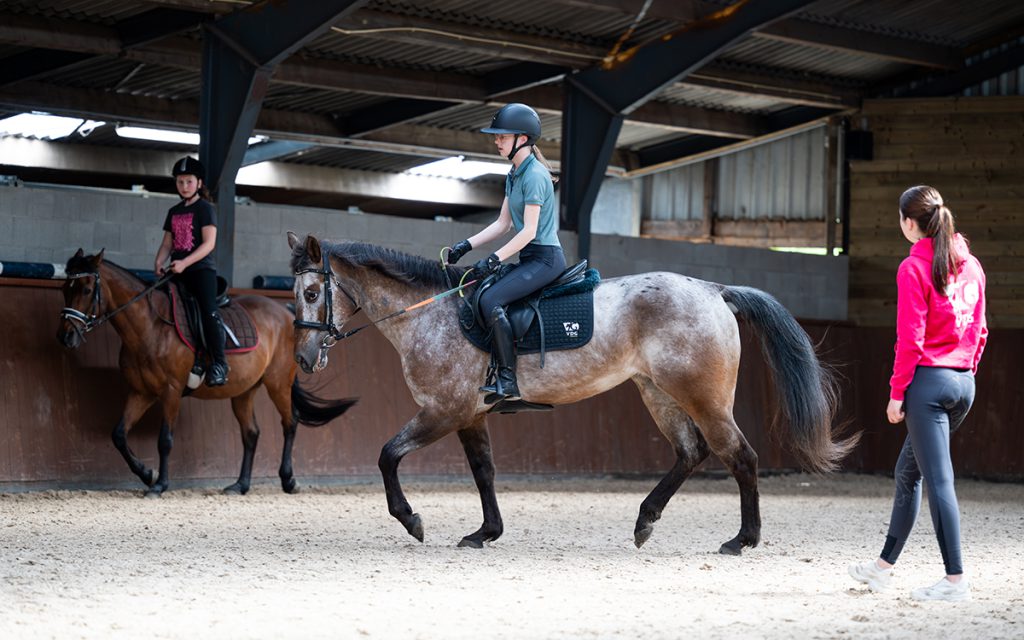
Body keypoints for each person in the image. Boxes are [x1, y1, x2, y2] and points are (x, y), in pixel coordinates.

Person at [849, 185, 987, 601]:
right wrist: (966, 368)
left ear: (910, 223)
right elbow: (980, 329)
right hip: (963, 382)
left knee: (939, 482)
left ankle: (954, 581)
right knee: (908, 473)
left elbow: (910, 338)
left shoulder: (913, 268)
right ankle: (882, 567)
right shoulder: (972, 265)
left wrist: (897, 392)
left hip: (928, 385)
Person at [446, 103, 566, 402]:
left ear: (522, 139)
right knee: (484, 293)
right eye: (497, 136)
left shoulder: (535, 175)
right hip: (530, 257)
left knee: (492, 298)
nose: (496, 141)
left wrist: (494, 259)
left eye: (502, 136)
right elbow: (503, 223)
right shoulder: (514, 174)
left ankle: (508, 381)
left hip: (546, 258)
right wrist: (467, 245)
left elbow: (528, 232)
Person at [154, 156, 229, 387]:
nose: (184, 187)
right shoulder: (174, 211)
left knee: (208, 312)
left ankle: (219, 363)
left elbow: (209, 244)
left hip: (200, 270)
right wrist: (159, 261)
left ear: (199, 183)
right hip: (177, 270)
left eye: (188, 182)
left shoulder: (205, 209)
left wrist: (185, 263)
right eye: (180, 182)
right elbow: (168, 243)